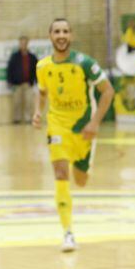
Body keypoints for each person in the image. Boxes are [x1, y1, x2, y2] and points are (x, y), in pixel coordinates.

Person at [33, 18, 115, 252]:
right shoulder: (42, 66)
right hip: (57, 126)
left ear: (71, 35)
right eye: (57, 31)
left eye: (65, 31)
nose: (61, 35)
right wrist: (38, 112)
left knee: (80, 180)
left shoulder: (85, 63)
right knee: (60, 174)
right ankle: (68, 233)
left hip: (83, 129)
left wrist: (95, 123)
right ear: (50, 35)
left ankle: (82, 167)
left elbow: (108, 91)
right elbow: (41, 92)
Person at [6, 36, 38, 124]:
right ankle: (17, 119)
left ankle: (28, 119)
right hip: (17, 84)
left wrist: (36, 80)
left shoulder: (32, 57)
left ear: (27, 44)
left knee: (29, 102)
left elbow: (37, 69)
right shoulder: (14, 56)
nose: (23, 45)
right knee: (16, 102)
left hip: (28, 84)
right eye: (21, 43)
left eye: (25, 43)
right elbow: (9, 69)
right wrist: (9, 81)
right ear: (19, 44)